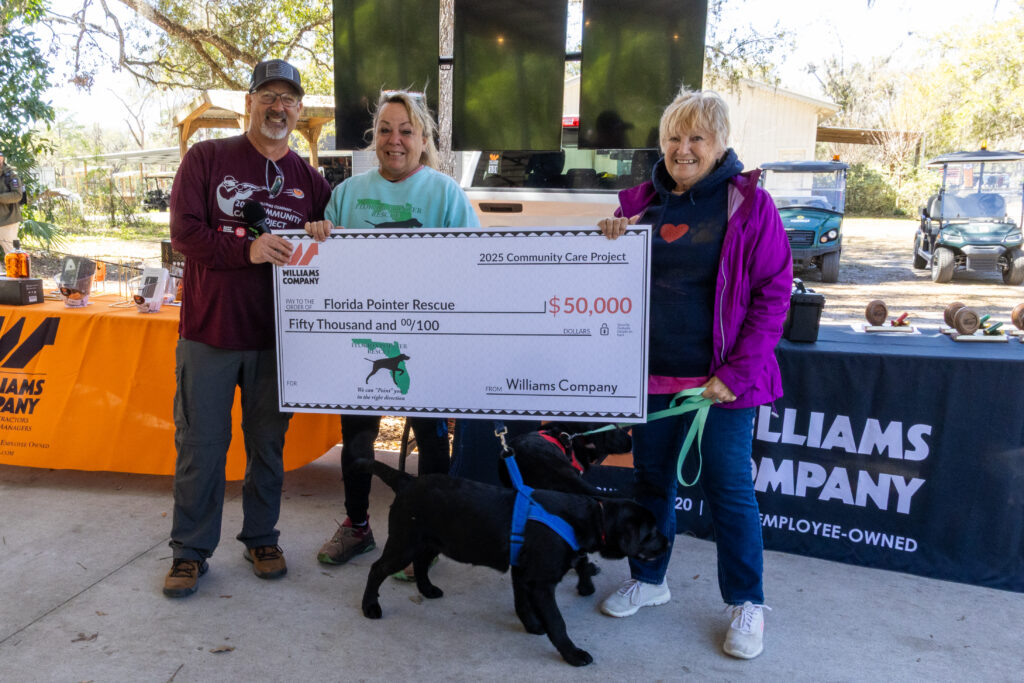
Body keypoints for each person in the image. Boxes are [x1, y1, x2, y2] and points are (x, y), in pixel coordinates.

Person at [595, 88, 791, 660]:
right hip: (652, 381)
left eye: (697, 138)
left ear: (720, 143)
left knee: (729, 491)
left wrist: (735, 372)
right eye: (674, 138)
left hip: (722, 386)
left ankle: (747, 603)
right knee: (652, 484)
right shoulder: (635, 203)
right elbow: (600, 283)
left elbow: (773, 294)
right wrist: (606, 236)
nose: (683, 149)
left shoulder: (750, 205)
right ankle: (650, 580)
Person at [163, 59, 332, 598]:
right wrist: (248, 248)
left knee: (268, 446)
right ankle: (190, 550)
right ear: (249, 103)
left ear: (299, 110)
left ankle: (261, 536)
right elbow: (185, 234)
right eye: (268, 97)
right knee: (201, 445)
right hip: (209, 333)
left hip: (278, 341)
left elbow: (335, 255)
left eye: (288, 100)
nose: (278, 108)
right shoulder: (207, 158)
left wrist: (328, 231)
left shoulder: (312, 182)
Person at [303, 90, 479, 575]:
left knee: (430, 436)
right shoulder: (346, 194)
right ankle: (357, 526)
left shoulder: (444, 193)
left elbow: (472, 267)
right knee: (357, 433)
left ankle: (429, 535)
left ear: (423, 140)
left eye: (406, 131)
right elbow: (323, 267)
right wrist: (316, 236)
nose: (394, 140)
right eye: (385, 130)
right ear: (373, 138)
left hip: (428, 338)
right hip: (363, 336)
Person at [0, 152, 25, 256]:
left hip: (7, 221)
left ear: (1, 158)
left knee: (12, 253)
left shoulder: (11, 175)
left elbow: (17, 195)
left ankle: (20, 273)